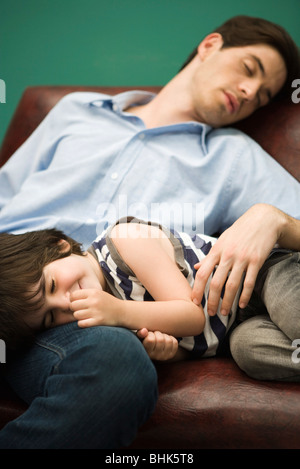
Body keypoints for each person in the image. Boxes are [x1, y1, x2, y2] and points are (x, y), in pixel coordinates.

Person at [0, 15, 300, 448]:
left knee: (116, 362)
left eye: (265, 94)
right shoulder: (75, 111)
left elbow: (185, 317)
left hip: (79, 327)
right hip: (14, 266)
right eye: (250, 69)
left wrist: (272, 218)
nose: (252, 92)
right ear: (210, 45)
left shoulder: (235, 159)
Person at [1, 208, 300, 364]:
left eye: (51, 286)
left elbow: (193, 316)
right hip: (239, 326)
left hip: (261, 274)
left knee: (290, 310)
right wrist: (168, 354)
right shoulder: (106, 317)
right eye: (52, 318)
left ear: (60, 245)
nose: (65, 303)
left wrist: (119, 311)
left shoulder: (123, 241)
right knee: (249, 351)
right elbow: (201, 343)